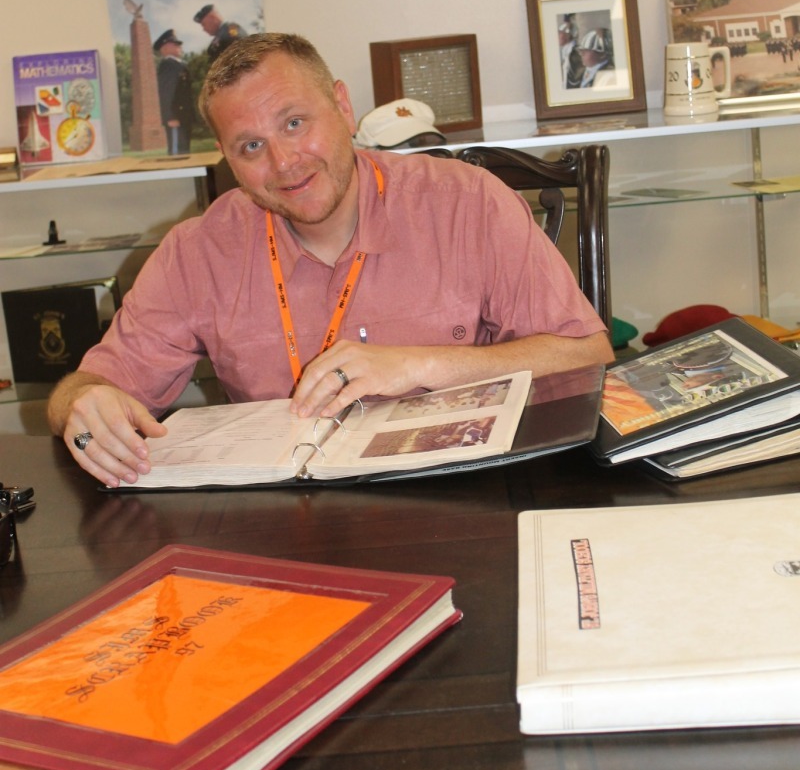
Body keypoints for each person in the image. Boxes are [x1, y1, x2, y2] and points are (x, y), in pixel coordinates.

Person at [47, 33, 611, 487]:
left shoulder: (467, 202)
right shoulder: (198, 252)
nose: (284, 162)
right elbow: (84, 389)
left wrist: (420, 367)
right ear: (227, 159)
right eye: (250, 146)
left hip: (463, 492)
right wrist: (86, 405)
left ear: (342, 105)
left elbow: (588, 354)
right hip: (288, 520)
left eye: (294, 123)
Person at [153, 29, 194, 157]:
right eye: (175, 44)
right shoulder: (168, 65)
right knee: (177, 154)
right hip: (176, 116)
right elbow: (166, 92)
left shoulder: (178, 65)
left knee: (184, 151)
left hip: (183, 115)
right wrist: (170, 116)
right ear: (164, 48)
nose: (179, 46)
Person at [558, 18, 583, 89]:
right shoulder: (566, 52)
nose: (557, 36)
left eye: (560, 33)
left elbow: (576, 81)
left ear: (568, 35)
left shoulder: (575, 53)